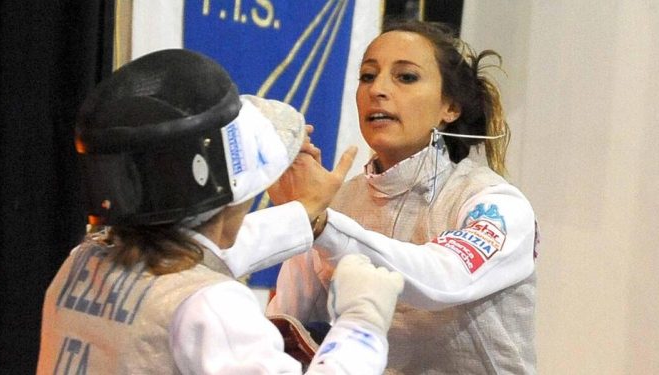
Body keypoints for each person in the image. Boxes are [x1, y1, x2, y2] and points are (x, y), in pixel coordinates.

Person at [35, 48, 405, 374]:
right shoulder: (211, 305)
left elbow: (197, 253)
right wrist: (363, 318)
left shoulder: (84, 261)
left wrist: (305, 211)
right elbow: (199, 278)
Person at [258, 19, 539, 374]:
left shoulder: (495, 203)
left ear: (449, 107)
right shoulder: (338, 205)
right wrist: (294, 214)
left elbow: (443, 278)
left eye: (405, 77)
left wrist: (322, 225)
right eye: (367, 76)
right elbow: (285, 330)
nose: (378, 89)